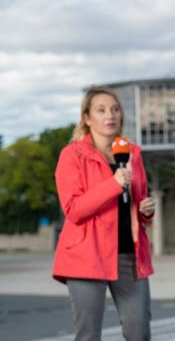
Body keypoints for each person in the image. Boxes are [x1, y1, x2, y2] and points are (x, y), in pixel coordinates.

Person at [53, 86, 155, 341]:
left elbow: (135, 203)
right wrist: (114, 183)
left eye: (115, 109)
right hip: (87, 256)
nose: (110, 115)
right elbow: (74, 210)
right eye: (101, 110)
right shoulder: (72, 155)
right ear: (87, 118)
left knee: (139, 331)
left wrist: (145, 211)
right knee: (88, 336)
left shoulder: (132, 154)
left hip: (129, 256)